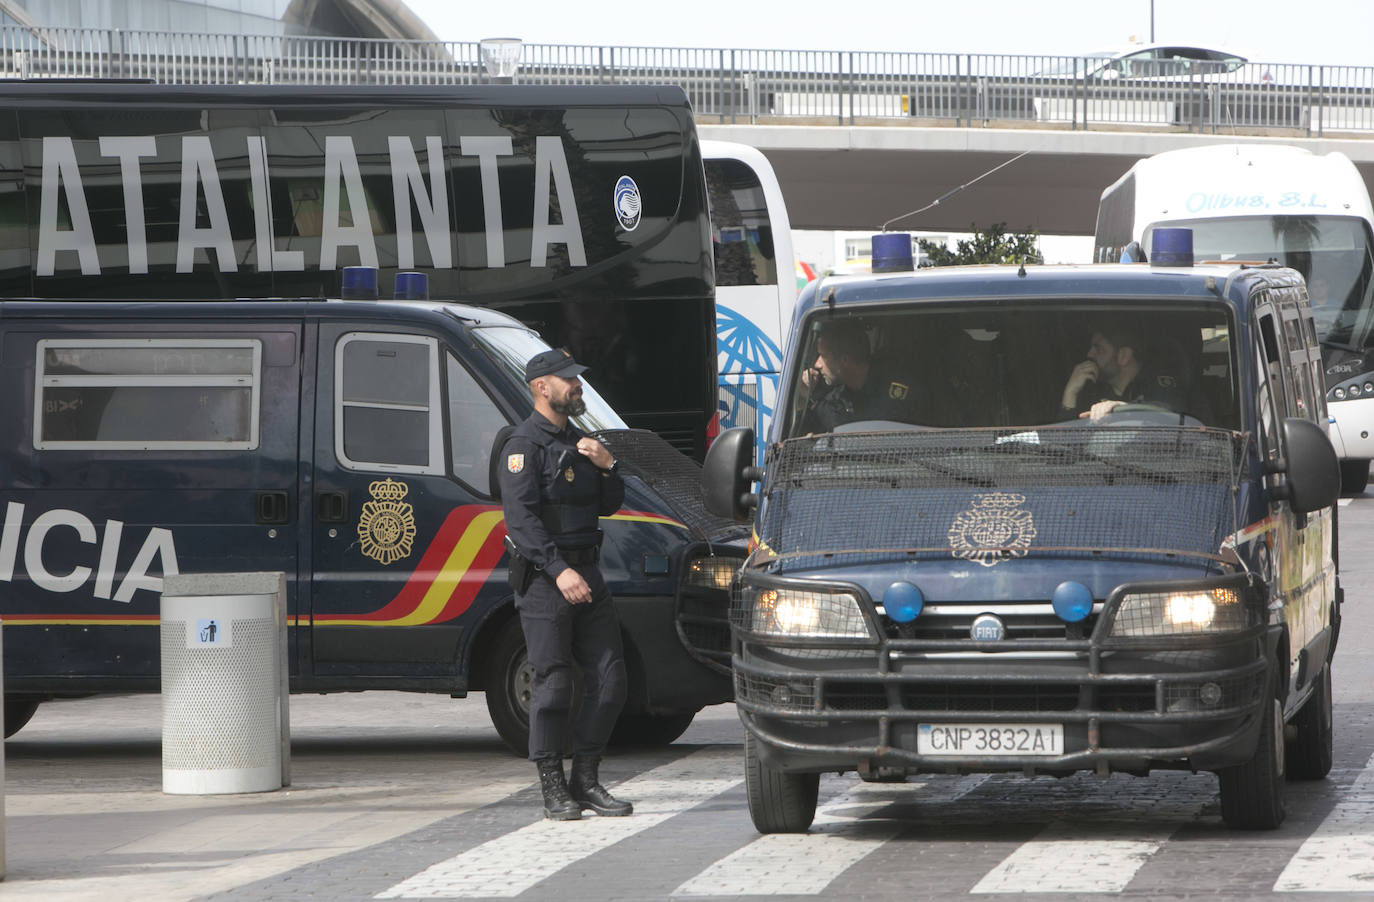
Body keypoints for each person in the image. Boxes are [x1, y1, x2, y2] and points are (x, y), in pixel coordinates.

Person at [496, 347, 633, 821]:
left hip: (588, 572)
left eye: (576, 378)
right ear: (542, 387)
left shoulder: (581, 442)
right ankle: (553, 785)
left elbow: (611, 504)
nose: (577, 386)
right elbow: (521, 521)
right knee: (552, 686)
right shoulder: (522, 446)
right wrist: (559, 570)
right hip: (546, 580)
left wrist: (609, 463)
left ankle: (587, 779)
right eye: (567, 379)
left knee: (611, 680)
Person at [797, 320, 917, 434]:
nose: (817, 364)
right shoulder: (837, 398)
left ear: (845, 360)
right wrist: (804, 396)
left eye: (823, 356)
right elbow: (800, 437)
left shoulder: (895, 392)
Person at [1058, 325, 1186, 421]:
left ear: (1123, 356)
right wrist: (1070, 392)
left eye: (1098, 348)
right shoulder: (1091, 390)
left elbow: (1170, 413)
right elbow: (1062, 447)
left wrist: (1123, 408)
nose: (1089, 354)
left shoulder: (1156, 384)